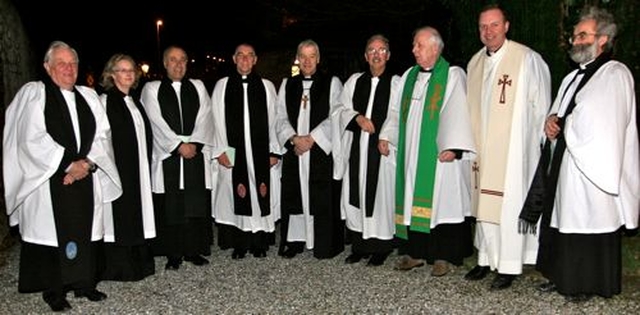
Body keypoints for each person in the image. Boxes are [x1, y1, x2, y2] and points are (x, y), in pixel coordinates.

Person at [3, 41, 121, 312]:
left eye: (73, 63)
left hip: (86, 176)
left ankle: (84, 283)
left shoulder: (89, 97)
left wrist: (88, 164)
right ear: (47, 67)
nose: (69, 69)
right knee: (52, 232)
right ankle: (54, 290)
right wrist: (68, 164)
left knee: (87, 228)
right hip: (50, 179)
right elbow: (29, 138)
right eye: (61, 63)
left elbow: (103, 135)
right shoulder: (34, 94)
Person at [533, 6, 639, 302]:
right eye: (575, 35)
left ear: (603, 39)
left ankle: (587, 283)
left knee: (587, 221)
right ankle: (563, 277)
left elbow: (600, 120)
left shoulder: (614, 73)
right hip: (567, 165)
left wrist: (565, 124)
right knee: (564, 221)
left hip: (592, 169)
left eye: (583, 35)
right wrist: (551, 122)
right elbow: (561, 111)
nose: (575, 40)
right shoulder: (571, 78)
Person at [464, 4, 551, 289]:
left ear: (507, 26)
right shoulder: (474, 62)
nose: (488, 32)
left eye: (494, 25)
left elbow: (541, 107)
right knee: (484, 205)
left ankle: (510, 265)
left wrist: (534, 146)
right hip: (482, 149)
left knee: (507, 205)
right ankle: (486, 258)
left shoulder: (526, 58)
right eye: (483, 27)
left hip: (514, 151)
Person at [378, 27, 476, 276]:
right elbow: (394, 111)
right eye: (414, 45)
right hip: (412, 154)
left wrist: (453, 146)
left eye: (419, 46)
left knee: (442, 204)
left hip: (438, 157)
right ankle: (416, 253)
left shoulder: (452, 75)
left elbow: (458, 111)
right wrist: (386, 135)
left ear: (435, 48)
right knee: (413, 199)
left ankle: (443, 255)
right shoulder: (409, 76)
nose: (414, 50)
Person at [140, 45, 215, 270]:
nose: (178, 64)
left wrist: (195, 144)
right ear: (164, 63)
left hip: (194, 152)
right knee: (171, 204)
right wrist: (177, 146)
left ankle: (193, 250)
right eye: (173, 60)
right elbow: (155, 120)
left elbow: (206, 117)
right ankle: (173, 253)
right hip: (168, 156)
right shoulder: (151, 89)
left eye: (182, 60)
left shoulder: (198, 87)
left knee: (193, 201)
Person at [333, 34, 400, 266]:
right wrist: (357, 118)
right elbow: (339, 110)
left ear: (388, 55)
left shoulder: (396, 83)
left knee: (380, 196)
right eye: (372, 50)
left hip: (381, 152)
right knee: (356, 192)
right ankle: (360, 245)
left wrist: (386, 136)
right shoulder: (354, 81)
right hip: (357, 150)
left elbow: (397, 113)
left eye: (381, 50)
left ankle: (381, 247)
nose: (376, 54)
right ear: (365, 56)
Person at [274, 39, 344, 259]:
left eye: (311, 56)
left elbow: (336, 116)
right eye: (302, 56)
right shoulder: (288, 84)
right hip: (296, 151)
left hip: (318, 151)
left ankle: (323, 243)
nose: (307, 61)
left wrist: (312, 139)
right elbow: (280, 117)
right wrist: (294, 139)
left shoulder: (332, 83)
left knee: (320, 196)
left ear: (318, 59)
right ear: (297, 59)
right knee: (294, 195)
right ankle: (295, 241)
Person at [210, 43, 280, 259]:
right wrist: (221, 151)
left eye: (249, 56)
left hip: (260, 153)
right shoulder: (222, 86)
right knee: (235, 194)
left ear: (255, 60)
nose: (245, 60)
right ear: (234, 59)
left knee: (259, 193)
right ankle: (240, 243)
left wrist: (274, 151)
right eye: (240, 56)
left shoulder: (267, 86)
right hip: (233, 153)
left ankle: (259, 242)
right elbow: (216, 121)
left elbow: (275, 120)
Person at [98, 54, 156, 281]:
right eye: (122, 70)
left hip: (139, 168)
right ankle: (119, 268)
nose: (129, 74)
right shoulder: (104, 102)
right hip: (118, 170)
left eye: (131, 69)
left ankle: (138, 263)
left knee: (138, 212)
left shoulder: (134, 101)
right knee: (120, 215)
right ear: (112, 74)